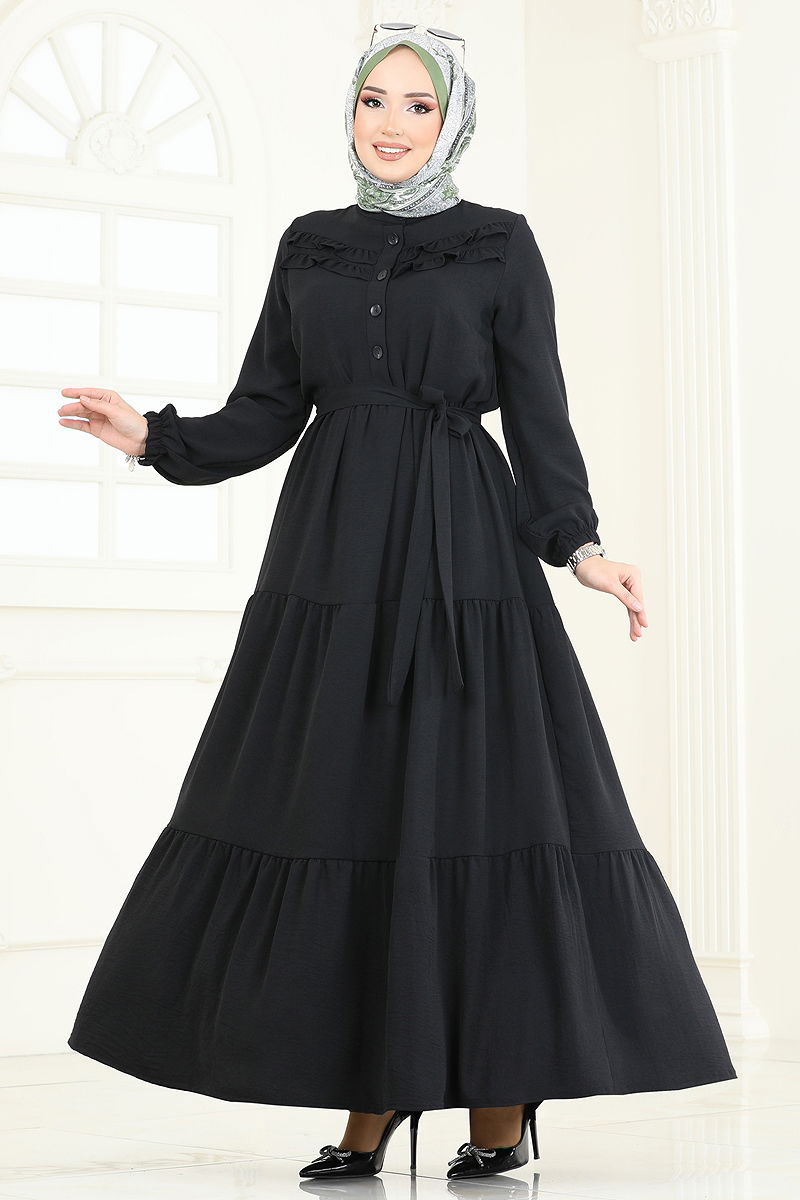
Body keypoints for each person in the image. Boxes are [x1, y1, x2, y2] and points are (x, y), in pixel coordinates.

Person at [59, 24, 737, 1182]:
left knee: (470, 812)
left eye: (418, 106)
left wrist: (578, 548)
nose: (390, 123)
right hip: (330, 557)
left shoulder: (497, 244)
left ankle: (498, 1101)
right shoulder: (309, 244)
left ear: (451, 120)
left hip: (460, 556)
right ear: (351, 112)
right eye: (373, 100)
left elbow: (539, 413)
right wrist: (153, 439)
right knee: (343, 807)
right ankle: (370, 1094)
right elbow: (268, 408)